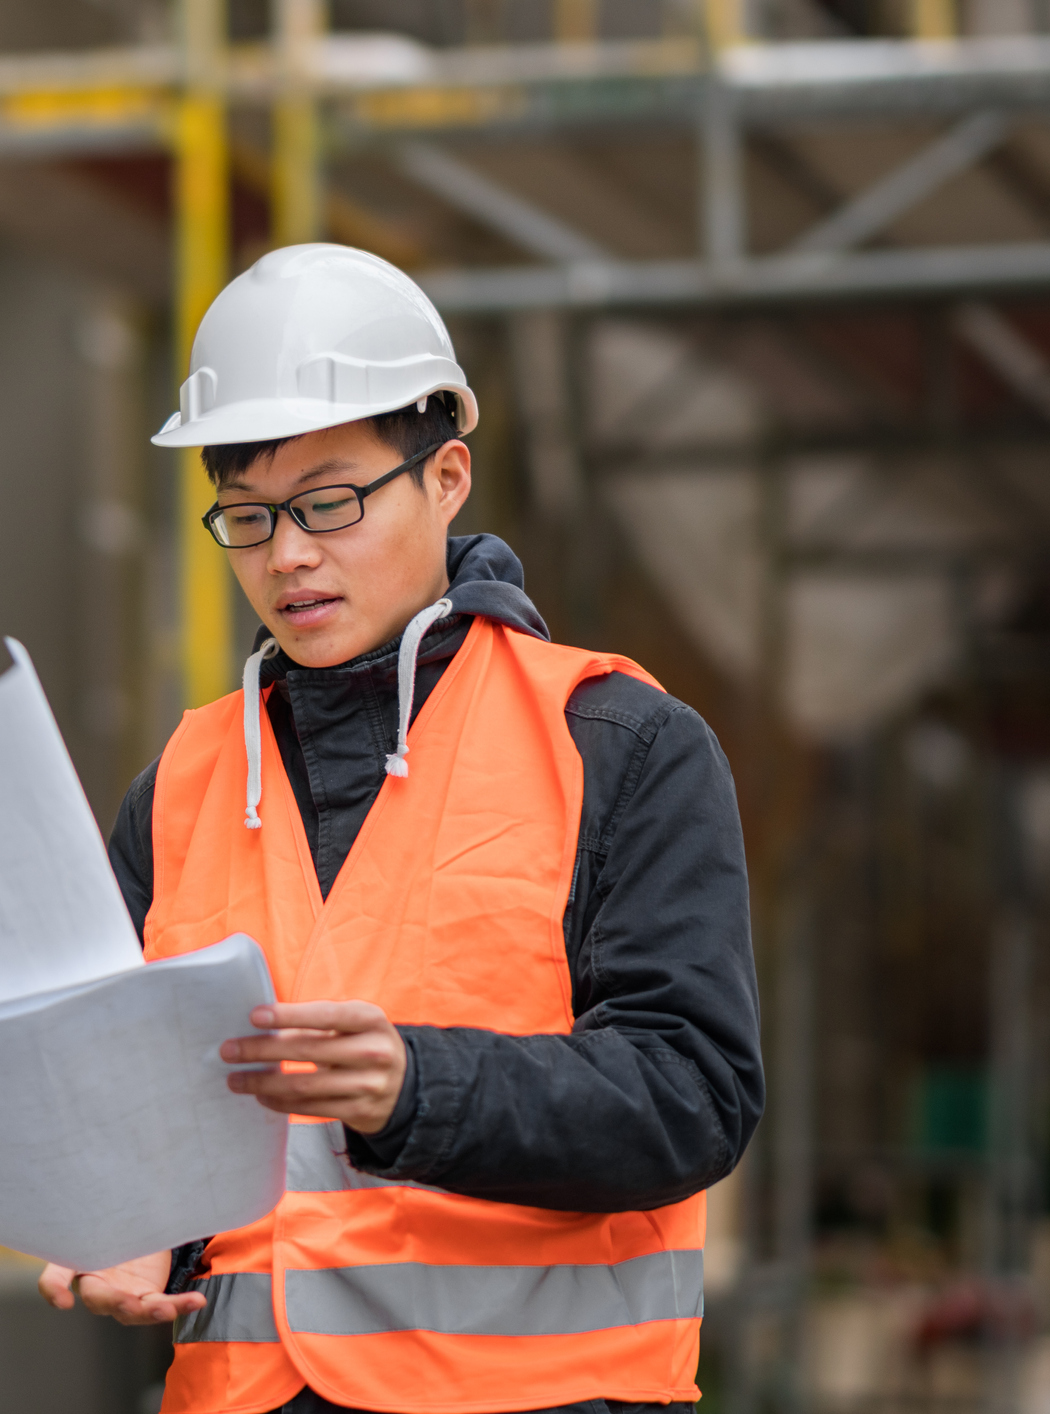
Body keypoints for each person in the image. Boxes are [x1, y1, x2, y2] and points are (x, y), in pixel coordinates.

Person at [38, 245, 764, 1414]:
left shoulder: (617, 743)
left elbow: (693, 1093)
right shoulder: (183, 782)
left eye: (330, 503)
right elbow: (126, 1103)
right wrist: (134, 1231)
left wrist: (415, 1086)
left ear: (448, 476)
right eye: (248, 515)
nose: (288, 555)